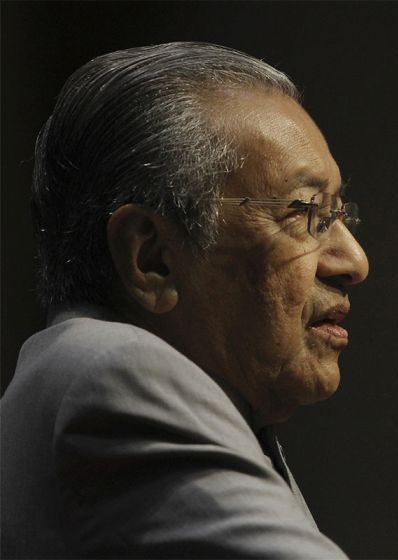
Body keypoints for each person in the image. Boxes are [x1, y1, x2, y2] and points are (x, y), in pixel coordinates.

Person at [0, 42, 368, 558]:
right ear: (152, 259)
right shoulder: (116, 379)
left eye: (339, 214)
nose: (354, 261)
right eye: (307, 213)